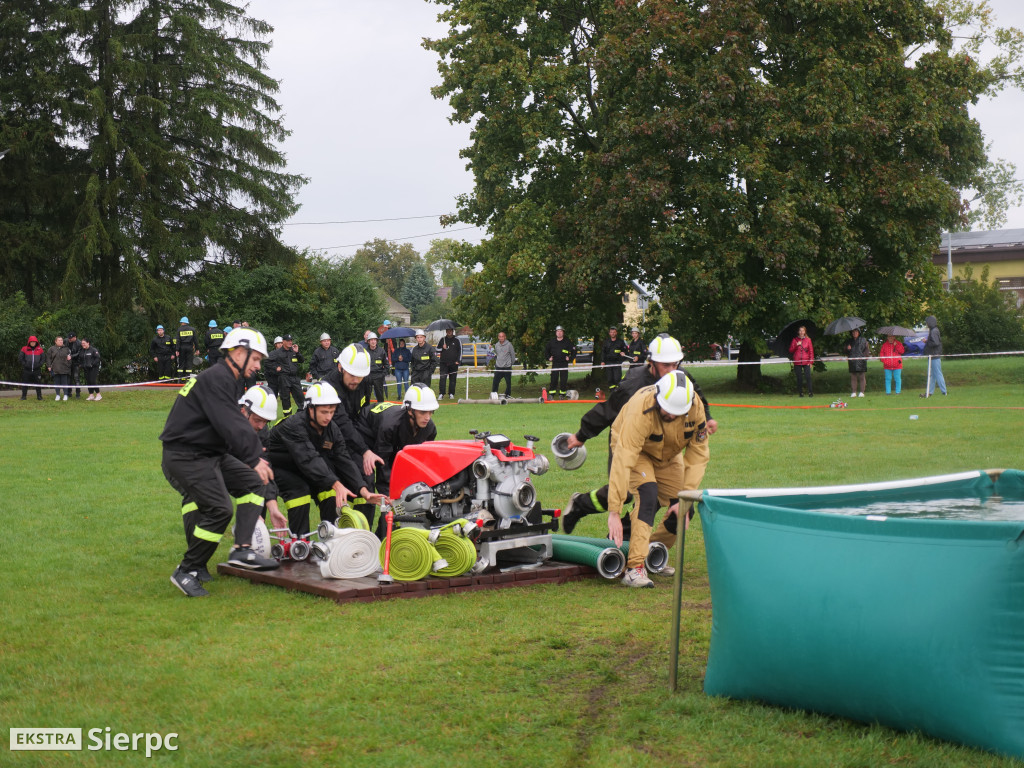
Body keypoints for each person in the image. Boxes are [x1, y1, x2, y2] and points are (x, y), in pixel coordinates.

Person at [560, 334, 717, 540]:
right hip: (628, 440)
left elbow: (695, 396)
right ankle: (580, 505)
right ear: (651, 362)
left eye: (675, 365)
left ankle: (630, 543)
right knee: (623, 493)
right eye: (666, 365)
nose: (672, 371)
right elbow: (608, 410)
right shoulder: (634, 384)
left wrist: (707, 418)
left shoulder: (680, 376)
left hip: (661, 445)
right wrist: (581, 435)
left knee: (659, 497)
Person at [159, 327, 275, 597]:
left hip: (207, 452)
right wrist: (253, 456)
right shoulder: (218, 378)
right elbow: (230, 422)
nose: (258, 366)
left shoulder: (227, 378)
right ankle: (187, 570)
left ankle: (242, 549)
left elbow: (226, 423)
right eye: (256, 359)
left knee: (253, 483)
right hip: (186, 454)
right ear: (238, 352)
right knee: (220, 509)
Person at [606, 371, 710, 587]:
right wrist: (614, 511)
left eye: (675, 413)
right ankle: (634, 568)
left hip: (669, 454)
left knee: (684, 505)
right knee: (648, 494)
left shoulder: (696, 407)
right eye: (667, 410)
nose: (670, 415)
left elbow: (699, 454)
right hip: (636, 451)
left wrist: (687, 494)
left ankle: (653, 553)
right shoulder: (639, 409)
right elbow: (624, 458)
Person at [178, 385, 286, 580]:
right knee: (200, 502)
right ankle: (196, 564)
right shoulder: (220, 419)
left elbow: (264, 469)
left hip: (225, 465)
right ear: (244, 410)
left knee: (254, 485)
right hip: (192, 461)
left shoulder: (261, 431)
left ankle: (243, 552)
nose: (262, 426)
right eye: (258, 420)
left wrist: (271, 507)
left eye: (266, 421)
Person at [264, 381, 382, 537]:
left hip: (304, 467)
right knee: (300, 491)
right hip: (276, 468)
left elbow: (343, 459)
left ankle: (331, 542)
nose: (329, 417)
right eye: (324, 412)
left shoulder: (332, 429)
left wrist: (363, 489)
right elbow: (309, 459)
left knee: (329, 492)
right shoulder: (294, 426)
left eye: (332, 412)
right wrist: (336, 484)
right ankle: (299, 546)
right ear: (310, 408)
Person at [362, 383, 439, 535]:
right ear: (410, 410)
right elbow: (383, 463)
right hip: (366, 434)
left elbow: (419, 462)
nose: (427, 417)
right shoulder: (390, 425)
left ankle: (384, 535)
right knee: (372, 487)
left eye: (431, 412)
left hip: (393, 445)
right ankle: (367, 537)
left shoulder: (430, 429)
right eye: (423, 412)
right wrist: (390, 496)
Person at [269, 334, 303, 414]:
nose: (290, 342)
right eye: (288, 341)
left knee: (300, 397)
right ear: (283, 342)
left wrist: (297, 352)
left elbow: (302, 360)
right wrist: (275, 367)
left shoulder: (293, 350)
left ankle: (302, 415)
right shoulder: (277, 352)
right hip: (284, 378)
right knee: (285, 399)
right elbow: (267, 362)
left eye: (291, 340)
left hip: (294, 378)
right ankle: (287, 418)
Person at [544, 326, 577, 399]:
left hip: (564, 363)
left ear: (563, 332)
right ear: (556, 333)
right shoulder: (552, 342)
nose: (559, 333)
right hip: (555, 363)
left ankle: (562, 394)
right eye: (558, 331)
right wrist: (549, 358)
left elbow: (574, 350)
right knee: (554, 379)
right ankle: (551, 394)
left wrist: (570, 358)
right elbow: (546, 351)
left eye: (561, 331)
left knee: (563, 379)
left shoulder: (567, 341)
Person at [921, 315, 948, 397]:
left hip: (934, 355)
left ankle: (944, 391)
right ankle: (929, 392)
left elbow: (935, 343)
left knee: (938, 374)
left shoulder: (933, 331)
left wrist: (927, 342)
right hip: (933, 355)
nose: (926, 324)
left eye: (927, 323)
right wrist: (928, 341)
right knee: (932, 375)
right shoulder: (934, 330)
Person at [435, 327, 462, 400]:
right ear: (446, 331)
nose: (449, 332)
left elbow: (460, 351)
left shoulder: (457, 340)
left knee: (453, 379)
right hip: (443, 363)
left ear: (452, 331)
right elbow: (437, 349)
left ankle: (451, 393)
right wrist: (442, 348)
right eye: (448, 331)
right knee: (442, 378)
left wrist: (458, 361)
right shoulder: (442, 339)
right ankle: (441, 394)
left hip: (454, 363)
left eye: (450, 331)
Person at [601, 326, 629, 391]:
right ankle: (612, 392)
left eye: (614, 332)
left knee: (617, 378)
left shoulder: (620, 342)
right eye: (611, 332)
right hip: (608, 363)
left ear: (616, 333)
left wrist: (623, 355)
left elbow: (626, 352)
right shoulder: (606, 342)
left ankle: (618, 391)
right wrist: (602, 361)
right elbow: (603, 352)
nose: (612, 333)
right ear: (609, 333)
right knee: (610, 379)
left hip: (617, 363)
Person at [789, 326, 814, 397]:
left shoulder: (808, 340)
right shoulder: (795, 340)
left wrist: (811, 362)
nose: (801, 332)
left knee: (808, 377)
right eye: (800, 331)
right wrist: (796, 345)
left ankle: (810, 392)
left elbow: (811, 352)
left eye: (803, 331)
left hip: (806, 361)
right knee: (799, 378)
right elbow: (791, 350)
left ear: (805, 332)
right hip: (797, 361)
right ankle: (801, 393)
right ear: (798, 332)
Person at [844, 328, 869, 398]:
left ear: (859, 332)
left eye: (856, 332)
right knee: (853, 376)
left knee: (862, 376)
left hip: (861, 361)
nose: (854, 333)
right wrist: (847, 348)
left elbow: (867, 350)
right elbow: (845, 351)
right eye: (853, 332)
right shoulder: (849, 341)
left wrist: (863, 357)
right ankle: (853, 392)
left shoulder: (863, 340)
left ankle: (862, 392)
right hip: (852, 361)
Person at [45, 336, 72, 401]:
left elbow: (70, 358)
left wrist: (69, 362)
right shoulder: (51, 349)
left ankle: (65, 395)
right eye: (59, 340)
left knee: (65, 383)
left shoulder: (67, 349)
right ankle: (58, 395)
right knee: (56, 383)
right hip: (55, 369)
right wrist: (49, 366)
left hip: (64, 369)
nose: (61, 341)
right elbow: (48, 358)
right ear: (55, 341)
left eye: (61, 340)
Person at [365, 333, 390, 403]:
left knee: (380, 396)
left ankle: (381, 411)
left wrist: (383, 374)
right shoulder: (365, 352)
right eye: (371, 340)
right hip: (368, 376)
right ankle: (366, 410)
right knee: (366, 396)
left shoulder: (381, 351)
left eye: (374, 340)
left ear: (376, 341)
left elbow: (387, 365)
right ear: (368, 341)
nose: (373, 342)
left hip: (378, 376)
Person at [19, 335, 45, 400]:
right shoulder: (24, 348)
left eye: (34, 342)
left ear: (36, 342)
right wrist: (25, 364)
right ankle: (23, 396)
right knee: (25, 383)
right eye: (31, 342)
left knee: (38, 383)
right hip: (27, 370)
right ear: (29, 342)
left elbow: (43, 358)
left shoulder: (40, 349)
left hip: (37, 370)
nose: (33, 343)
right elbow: (20, 358)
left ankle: (39, 396)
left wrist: (39, 364)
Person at [491, 331, 515, 398]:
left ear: (505, 337)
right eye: (500, 336)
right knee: (495, 381)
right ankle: (494, 394)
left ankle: (508, 395)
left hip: (507, 367)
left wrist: (510, 364)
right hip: (498, 367)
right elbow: (498, 354)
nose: (501, 338)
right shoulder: (496, 345)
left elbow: (512, 355)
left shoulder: (509, 345)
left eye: (502, 336)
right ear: (498, 337)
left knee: (508, 382)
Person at [67, 331, 83, 398]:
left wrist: (71, 356)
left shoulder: (79, 343)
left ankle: (78, 393)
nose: (69, 339)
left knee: (76, 378)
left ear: (75, 337)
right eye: (69, 338)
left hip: (76, 363)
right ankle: (69, 392)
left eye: (71, 338)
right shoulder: (67, 341)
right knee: (69, 378)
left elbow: (79, 353)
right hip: (69, 363)